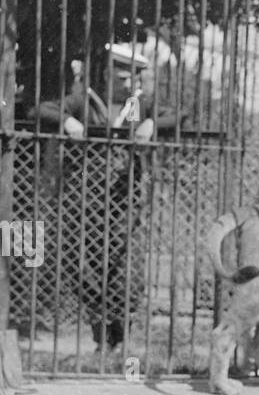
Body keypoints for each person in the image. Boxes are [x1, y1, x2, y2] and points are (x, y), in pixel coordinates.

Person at [33, 43, 182, 350]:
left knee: (123, 263)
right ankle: (102, 333)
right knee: (82, 264)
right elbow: (41, 108)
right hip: (85, 196)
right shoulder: (85, 100)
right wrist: (67, 120)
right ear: (107, 74)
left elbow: (180, 114)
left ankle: (121, 334)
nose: (126, 84)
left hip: (125, 197)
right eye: (120, 77)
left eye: (131, 79)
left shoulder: (141, 105)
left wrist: (152, 123)